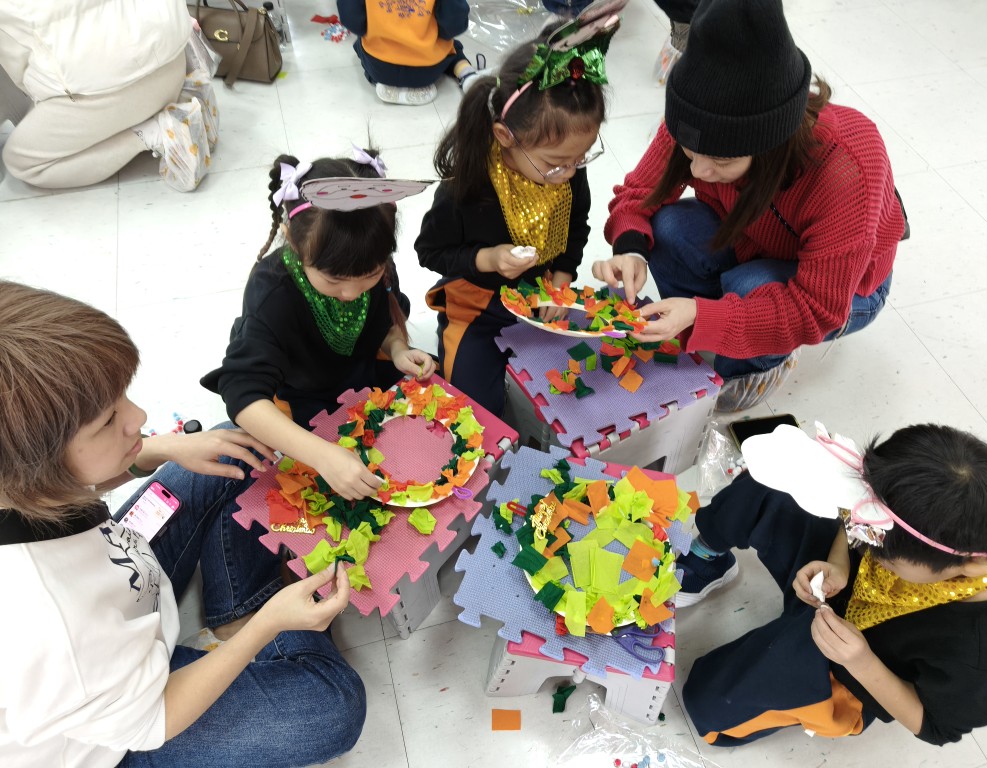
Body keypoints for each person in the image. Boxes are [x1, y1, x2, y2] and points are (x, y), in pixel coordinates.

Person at [0, 280, 367, 767]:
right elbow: (155, 720)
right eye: (108, 421)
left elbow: (75, 480)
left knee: (234, 448)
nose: (138, 415)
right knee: (334, 707)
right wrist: (270, 623)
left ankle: (236, 615)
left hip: (122, 585)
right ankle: (256, 617)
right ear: (37, 465)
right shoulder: (47, 622)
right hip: (124, 733)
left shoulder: (21, 477)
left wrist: (161, 449)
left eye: (123, 398)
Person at [593, 0, 907, 412]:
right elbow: (639, 194)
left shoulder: (846, 167)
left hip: (846, 290)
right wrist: (630, 248)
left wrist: (704, 315)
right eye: (689, 152)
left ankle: (753, 363)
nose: (699, 170)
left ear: (771, 143)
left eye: (722, 162)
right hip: (750, 238)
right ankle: (711, 329)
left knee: (750, 286)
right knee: (668, 226)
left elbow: (818, 309)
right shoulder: (700, 122)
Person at [676, 423, 987, 747]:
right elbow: (854, 517)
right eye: (864, 536)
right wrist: (839, 563)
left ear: (969, 566)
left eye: (883, 557)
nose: (867, 548)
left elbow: (936, 726)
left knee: (707, 705)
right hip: (837, 590)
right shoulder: (907, 511)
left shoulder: (980, 651)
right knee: (776, 479)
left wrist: (861, 662)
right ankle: (709, 558)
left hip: (851, 667)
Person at [415, 12, 619, 416]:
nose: (570, 172)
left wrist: (562, 276)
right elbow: (430, 252)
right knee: (476, 413)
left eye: (581, 158)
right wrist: (488, 259)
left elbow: (576, 226)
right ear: (505, 136)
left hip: (540, 298)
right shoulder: (465, 189)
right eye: (557, 163)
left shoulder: (566, 170)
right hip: (477, 305)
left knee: (577, 397)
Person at [202, 151, 437, 501]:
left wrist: (398, 348)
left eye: (370, 276)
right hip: (304, 395)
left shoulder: (373, 260)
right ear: (292, 240)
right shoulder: (273, 293)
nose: (352, 293)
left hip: (363, 375)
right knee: (324, 493)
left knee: (432, 398)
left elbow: (388, 320)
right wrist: (323, 455)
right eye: (333, 280)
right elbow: (243, 395)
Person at [0, 1, 214, 191]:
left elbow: (19, 73)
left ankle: (155, 133)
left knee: (22, 161)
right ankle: (185, 97)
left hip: (120, 93)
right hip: (173, 59)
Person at [336, 0, 478, 106]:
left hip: (381, 68)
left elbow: (351, 19)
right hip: (427, 70)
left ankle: (381, 82)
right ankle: (467, 74)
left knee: (359, 45)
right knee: (452, 47)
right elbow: (454, 24)